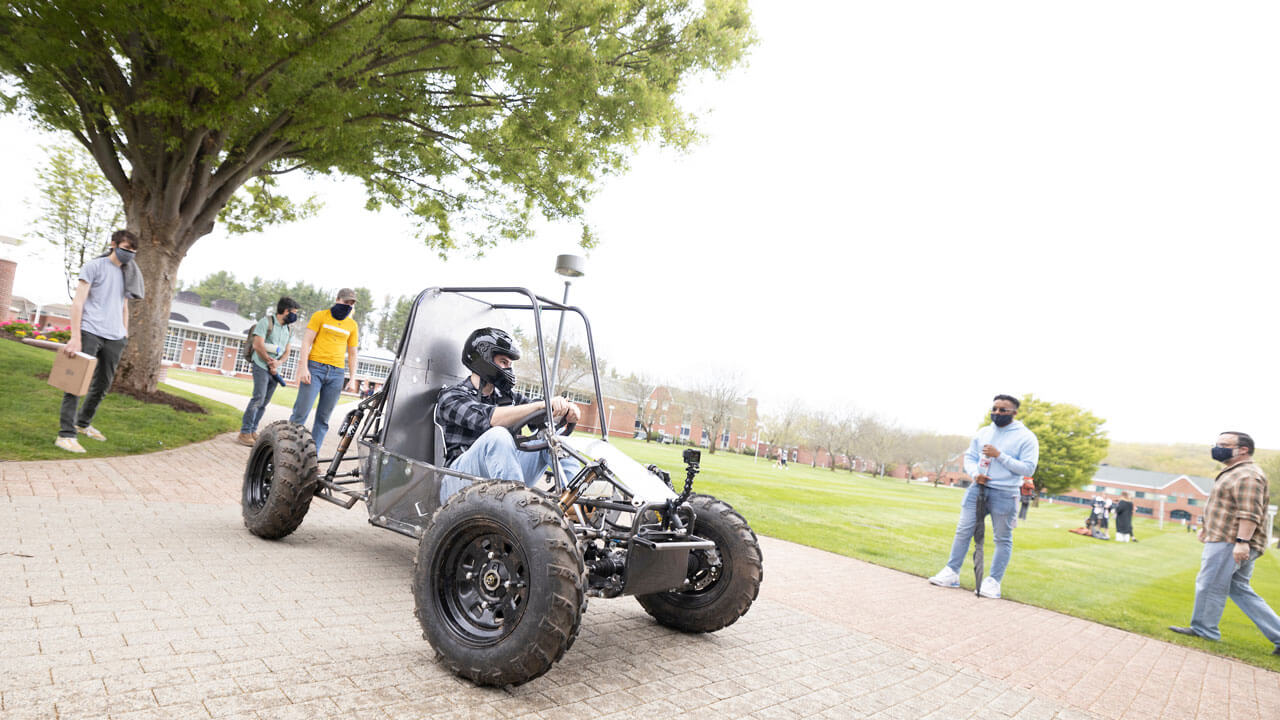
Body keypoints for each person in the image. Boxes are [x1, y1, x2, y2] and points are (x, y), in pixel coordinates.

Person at [436, 327, 582, 504]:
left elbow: (538, 414)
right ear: (484, 360)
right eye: (503, 362)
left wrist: (566, 411)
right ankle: (519, 508)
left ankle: (574, 499)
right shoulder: (452, 396)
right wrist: (541, 404)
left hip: (498, 482)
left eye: (510, 365)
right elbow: (490, 418)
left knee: (552, 437)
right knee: (498, 435)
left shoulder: (507, 397)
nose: (508, 369)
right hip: (457, 484)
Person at [1170, 432, 1280, 654]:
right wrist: (1207, 528)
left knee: (1209, 583)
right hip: (1226, 537)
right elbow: (1226, 507)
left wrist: (1242, 542)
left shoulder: (1248, 475)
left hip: (1231, 540)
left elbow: (1249, 512)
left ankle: (1204, 630)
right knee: (1238, 589)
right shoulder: (1235, 472)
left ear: (1243, 450)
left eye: (1224, 445)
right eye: (1217, 444)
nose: (1217, 448)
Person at [928, 394, 1039, 599]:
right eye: (994, 408)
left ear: (1014, 413)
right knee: (963, 531)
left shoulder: (1026, 437)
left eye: (1002, 410)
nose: (997, 413)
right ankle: (952, 572)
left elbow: (1028, 468)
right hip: (977, 490)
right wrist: (974, 473)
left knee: (1002, 538)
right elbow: (970, 457)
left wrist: (1000, 456)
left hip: (1005, 493)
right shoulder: (984, 432)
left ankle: (993, 582)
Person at [55, 230, 144, 453]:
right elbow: (78, 302)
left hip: (115, 336)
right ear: (113, 245)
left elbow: (124, 305)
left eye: (133, 252)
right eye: (125, 249)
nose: (128, 255)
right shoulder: (94, 266)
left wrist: (125, 331)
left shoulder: (127, 272)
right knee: (75, 383)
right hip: (90, 331)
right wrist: (75, 337)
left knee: (102, 384)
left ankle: (83, 423)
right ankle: (65, 434)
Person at [289, 288, 360, 452]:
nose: (348, 305)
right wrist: (304, 368)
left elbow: (352, 353)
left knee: (323, 420)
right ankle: (288, 451)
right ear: (337, 299)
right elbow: (306, 342)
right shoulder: (320, 316)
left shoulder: (352, 325)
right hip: (315, 369)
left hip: (337, 373)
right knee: (301, 413)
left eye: (351, 303)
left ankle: (312, 457)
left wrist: (352, 377)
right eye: (345, 302)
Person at [236, 297, 301, 446]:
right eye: (294, 312)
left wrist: (278, 362)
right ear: (286, 311)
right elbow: (258, 345)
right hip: (260, 365)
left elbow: (287, 351)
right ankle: (244, 432)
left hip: (274, 369)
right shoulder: (266, 322)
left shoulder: (288, 329)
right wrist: (268, 361)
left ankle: (253, 431)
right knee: (258, 398)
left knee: (264, 402)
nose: (295, 316)